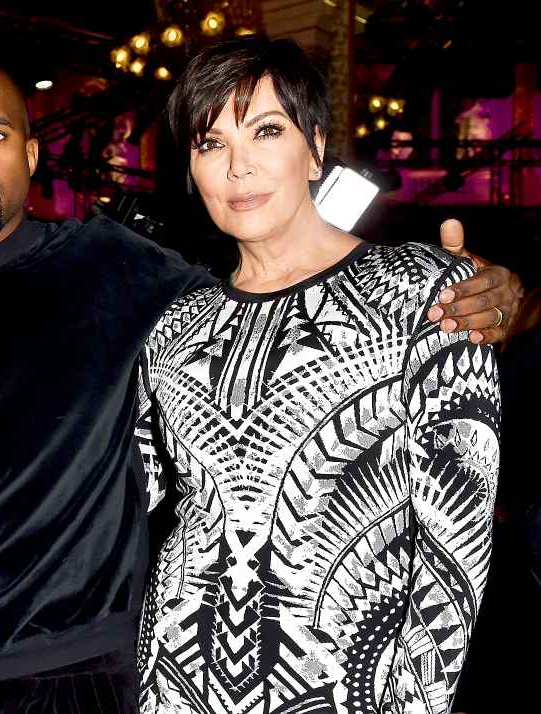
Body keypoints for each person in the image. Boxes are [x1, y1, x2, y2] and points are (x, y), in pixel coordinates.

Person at [0, 58, 516, 713]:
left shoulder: (116, 266)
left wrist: (489, 293)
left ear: (33, 154)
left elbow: (278, 292)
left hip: (91, 669)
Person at [135, 37, 500, 713]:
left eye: (266, 131)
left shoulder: (424, 292)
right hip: (175, 690)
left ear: (316, 147)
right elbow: (137, 502)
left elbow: (454, 559)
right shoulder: (175, 325)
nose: (238, 166)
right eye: (210, 144)